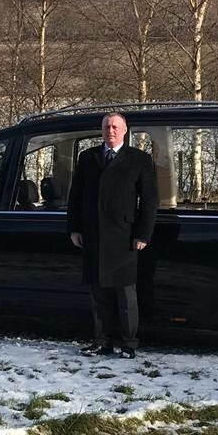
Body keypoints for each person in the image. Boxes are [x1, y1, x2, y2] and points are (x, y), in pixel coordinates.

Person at [66, 111, 158, 360]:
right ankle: (102, 341)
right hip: (93, 234)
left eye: (116, 127)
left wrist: (143, 234)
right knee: (98, 293)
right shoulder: (88, 158)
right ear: (101, 130)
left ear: (125, 130)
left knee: (125, 294)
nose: (111, 131)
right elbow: (76, 196)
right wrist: (74, 228)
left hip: (125, 236)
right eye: (107, 127)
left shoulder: (139, 159)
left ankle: (129, 344)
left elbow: (149, 201)